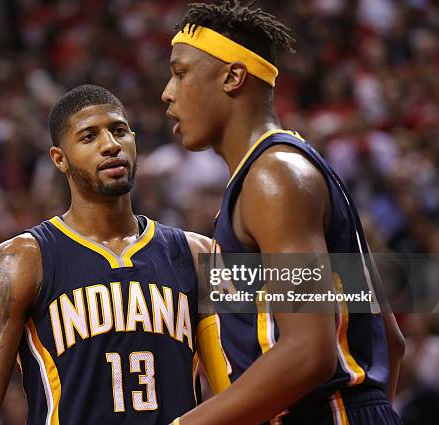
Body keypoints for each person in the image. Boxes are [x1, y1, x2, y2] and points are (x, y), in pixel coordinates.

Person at [161, 2, 405, 425]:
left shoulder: (273, 179)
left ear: (233, 77)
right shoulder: (286, 171)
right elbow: (391, 341)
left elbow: (309, 352)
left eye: (180, 73)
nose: (167, 92)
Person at [0, 85, 222, 425]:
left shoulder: (202, 252)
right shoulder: (18, 260)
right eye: (89, 137)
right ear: (59, 158)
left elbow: (251, 375)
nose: (110, 145)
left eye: (119, 131)